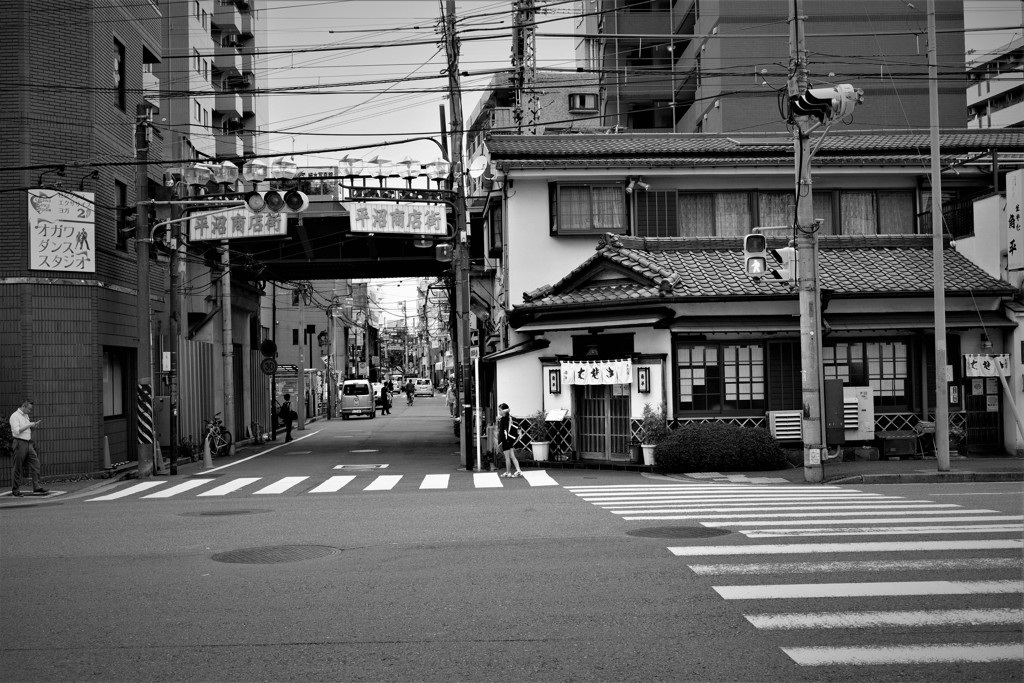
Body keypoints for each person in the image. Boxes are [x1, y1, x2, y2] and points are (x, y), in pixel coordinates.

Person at [9, 399, 47, 497]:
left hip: (28, 443)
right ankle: (15, 489)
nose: (30, 411)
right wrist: (29, 424)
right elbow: (17, 431)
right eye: (29, 409)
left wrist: (33, 426)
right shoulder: (14, 416)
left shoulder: (25, 416)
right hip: (19, 443)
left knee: (36, 463)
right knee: (18, 466)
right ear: (23, 406)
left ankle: (36, 486)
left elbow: (26, 429)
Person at [497, 403, 523, 478]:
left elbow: (501, 432)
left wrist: (500, 442)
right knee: (512, 456)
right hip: (511, 439)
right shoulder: (512, 418)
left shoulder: (503, 419)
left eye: (500, 410)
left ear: (504, 411)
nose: (499, 412)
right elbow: (519, 427)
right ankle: (518, 470)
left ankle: (508, 472)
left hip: (505, 440)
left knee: (507, 457)